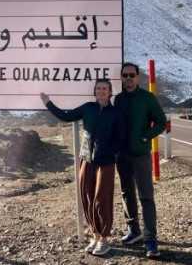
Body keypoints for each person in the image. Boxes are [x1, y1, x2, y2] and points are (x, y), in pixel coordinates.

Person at [40, 78, 125, 257]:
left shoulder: (116, 112)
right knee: (86, 196)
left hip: (106, 162)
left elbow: (121, 137)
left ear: (110, 92)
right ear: (94, 92)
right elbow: (66, 116)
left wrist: (112, 153)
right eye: (98, 88)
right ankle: (94, 234)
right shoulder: (88, 108)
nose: (101, 91)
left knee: (102, 198)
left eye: (105, 88)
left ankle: (104, 238)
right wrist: (48, 103)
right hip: (86, 158)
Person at [115, 62, 167, 259]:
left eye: (131, 75)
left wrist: (146, 137)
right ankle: (133, 231)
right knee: (126, 193)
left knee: (146, 197)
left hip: (141, 155)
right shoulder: (118, 99)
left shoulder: (147, 98)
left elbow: (161, 122)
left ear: (138, 77)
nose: (128, 79)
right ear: (121, 77)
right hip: (122, 156)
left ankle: (151, 240)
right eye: (125, 75)